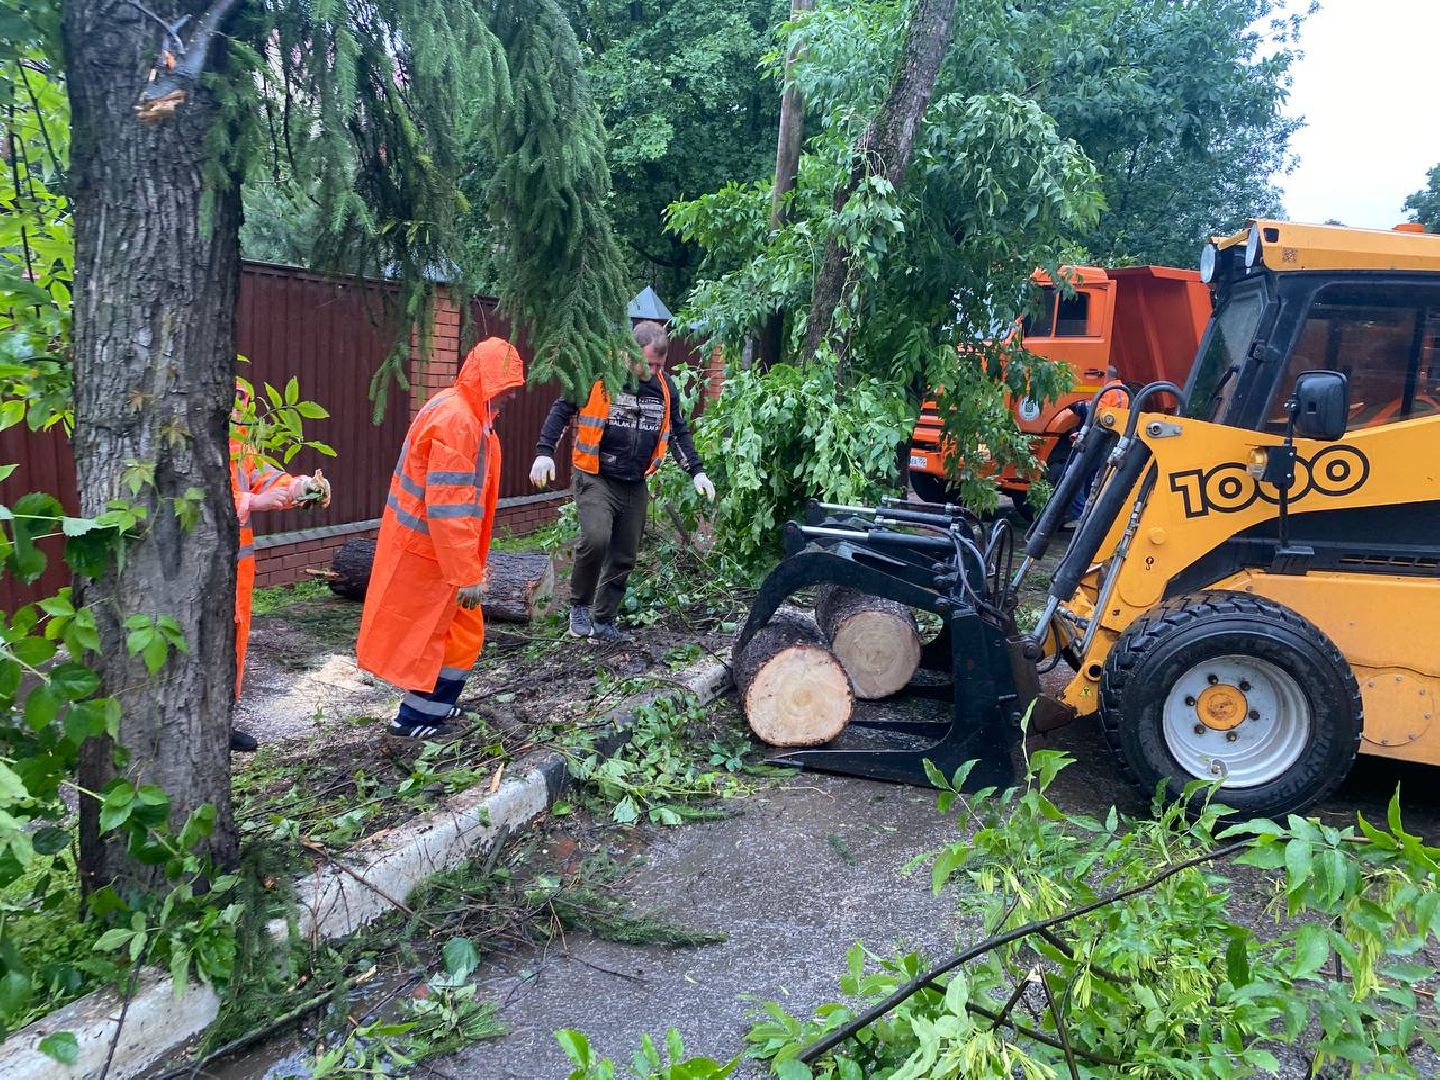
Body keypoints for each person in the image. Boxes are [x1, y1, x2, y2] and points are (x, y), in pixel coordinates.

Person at [356, 337, 525, 738]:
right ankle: (417, 718)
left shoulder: (456, 409)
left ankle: (433, 705)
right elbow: (449, 508)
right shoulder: (460, 422)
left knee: (445, 633)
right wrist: (466, 574)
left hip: (430, 551)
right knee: (449, 635)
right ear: (488, 382)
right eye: (507, 391)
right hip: (434, 555)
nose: (510, 400)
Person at [528, 320, 715, 644]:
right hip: (596, 476)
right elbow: (562, 409)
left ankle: (603, 622)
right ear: (630, 353)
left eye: (660, 364)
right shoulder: (598, 376)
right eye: (650, 362)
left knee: (625, 553)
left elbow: (678, 432)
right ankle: (580, 608)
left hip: (635, 482)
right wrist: (544, 452)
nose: (655, 369)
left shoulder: (665, 388)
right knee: (597, 538)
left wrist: (696, 471)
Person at [231, 385, 331, 751]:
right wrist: (250, 501)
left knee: (233, 638)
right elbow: (196, 494)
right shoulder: (197, 438)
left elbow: (259, 473)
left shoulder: (238, 439)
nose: (239, 409)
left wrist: (299, 486)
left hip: (235, 563)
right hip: (202, 569)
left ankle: (221, 720)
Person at [1064, 366, 1129, 526]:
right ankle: (1088, 513)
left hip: (1100, 439)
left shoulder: (1109, 391)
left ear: (1105, 377)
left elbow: (1098, 415)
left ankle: (1080, 515)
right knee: (1094, 478)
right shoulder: (1124, 392)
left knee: (1077, 473)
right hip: (1112, 439)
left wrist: (1083, 433)